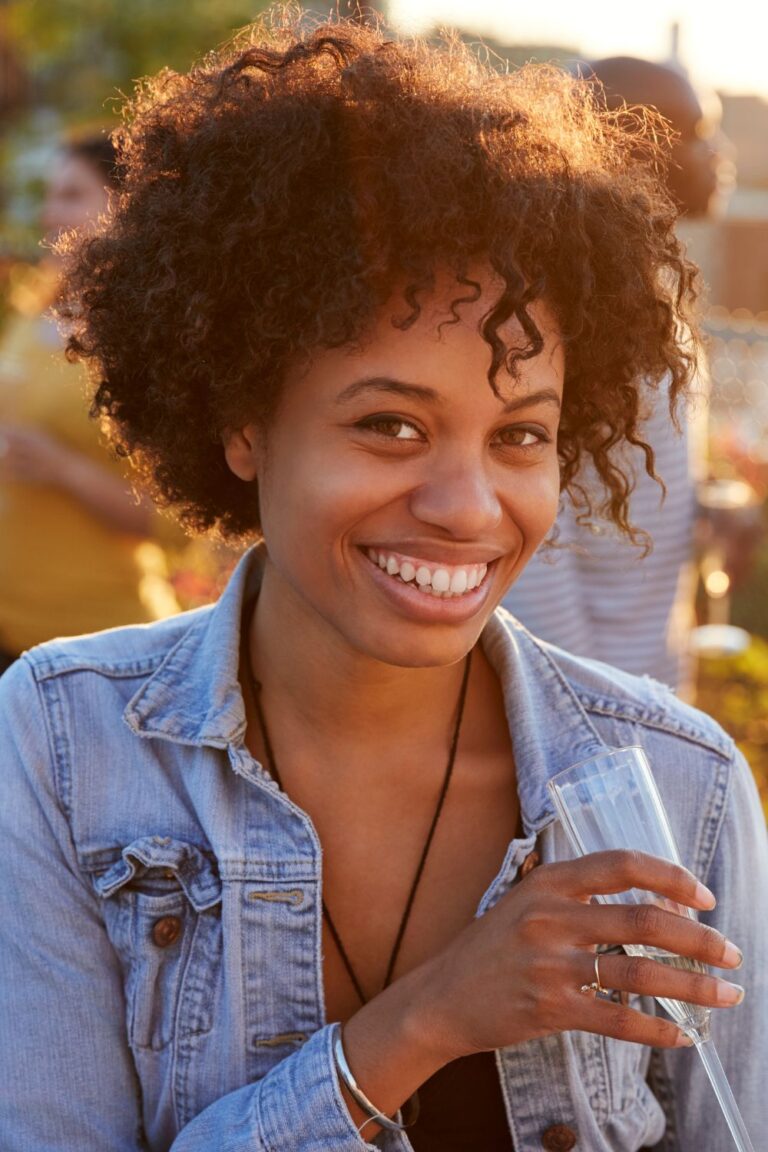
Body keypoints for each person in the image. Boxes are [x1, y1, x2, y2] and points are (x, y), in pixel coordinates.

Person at [0, 13, 766, 1151]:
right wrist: (423, 1023)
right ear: (244, 423)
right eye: (391, 424)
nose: (468, 506)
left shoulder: (680, 785)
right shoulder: (68, 746)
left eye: (520, 437)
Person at [502, 57, 731, 693]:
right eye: (698, 129)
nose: (721, 151)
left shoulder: (648, 299)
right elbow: (538, 542)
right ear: (632, 144)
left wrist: (700, 505)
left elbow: (612, 481)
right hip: (590, 708)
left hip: (644, 693)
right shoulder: (574, 311)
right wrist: (587, 707)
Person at [0, 134, 179, 674]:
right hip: (10, 629)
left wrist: (64, 469)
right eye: (50, 195)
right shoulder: (39, 311)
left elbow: (178, 524)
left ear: (126, 211)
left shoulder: (150, 340)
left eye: (73, 195)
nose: (51, 213)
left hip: (93, 649)